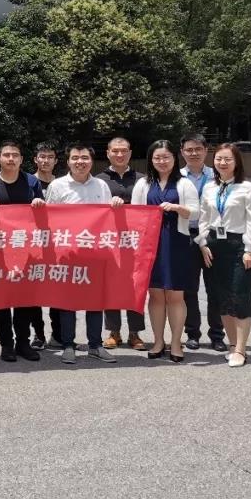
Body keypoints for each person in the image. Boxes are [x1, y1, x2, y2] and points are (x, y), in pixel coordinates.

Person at [46, 143, 125, 365]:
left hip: (95, 252)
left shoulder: (101, 185)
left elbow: (108, 217)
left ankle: (95, 345)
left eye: (84, 158)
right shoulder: (57, 186)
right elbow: (49, 219)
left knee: (95, 301)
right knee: (67, 302)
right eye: (75, 158)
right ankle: (68, 344)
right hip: (67, 253)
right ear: (68, 161)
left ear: (91, 161)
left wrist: (116, 204)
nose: (80, 162)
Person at [132, 141, 200, 363]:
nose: (162, 161)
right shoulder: (143, 184)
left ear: (174, 158)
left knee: (176, 295)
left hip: (177, 243)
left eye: (166, 157)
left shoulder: (184, 183)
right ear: (150, 160)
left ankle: (177, 342)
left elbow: (196, 213)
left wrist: (178, 208)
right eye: (157, 157)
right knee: (155, 294)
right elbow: (135, 214)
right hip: (150, 245)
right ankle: (158, 341)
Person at [196, 142, 251, 368]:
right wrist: (203, 242)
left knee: (240, 296)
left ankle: (241, 349)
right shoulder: (209, 187)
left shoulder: (247, 187)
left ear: (237, 162)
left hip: (238, 245)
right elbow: (204, 217)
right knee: (220, 297)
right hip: (214, 245)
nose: (222, 163)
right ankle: (232, 345)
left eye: (228, 159)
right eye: (219, 159)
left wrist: (250, 249)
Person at [0, 140, 46, 363]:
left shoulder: (31, 182)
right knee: (1, 301)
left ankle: (23, 343)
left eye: (15, 155)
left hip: (25, 249)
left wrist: (39, 202)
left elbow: (42, 216)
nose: (11, 158)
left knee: (25, 299)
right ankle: (6, 344)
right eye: (6, 155)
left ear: (21, 159)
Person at [97, 136, 147, 350]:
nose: (119, 154)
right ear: (108, 153)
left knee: (136, 285)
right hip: (109, 241)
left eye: (123, 150)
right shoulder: (99, 180)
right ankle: (113, 331)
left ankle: (135, 333)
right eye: (115, 151)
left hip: (136, 241)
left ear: (130, 153)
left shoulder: (143, 179)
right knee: (111, 286)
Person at [180, 133, 227, 351]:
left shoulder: (218, 175)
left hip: (212, 236)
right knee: (189, 288)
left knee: (215, 288)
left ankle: (217, 334)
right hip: (186, 236)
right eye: (189, 149)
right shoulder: (177, 177)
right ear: (182, 152)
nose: (194, 153)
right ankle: (192, 333)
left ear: (206, 151)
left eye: (198, 149)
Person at [32, 142, 60, 350]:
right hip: (33, 245)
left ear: (56, 161)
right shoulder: (27, 182)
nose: (46, 160)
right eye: (42, 156)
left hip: (58, 244)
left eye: (50, 157)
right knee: (34, 293)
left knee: (57, 291)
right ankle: (38, 335)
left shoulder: (62, 184)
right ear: (35, 159)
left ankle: (58, 335)